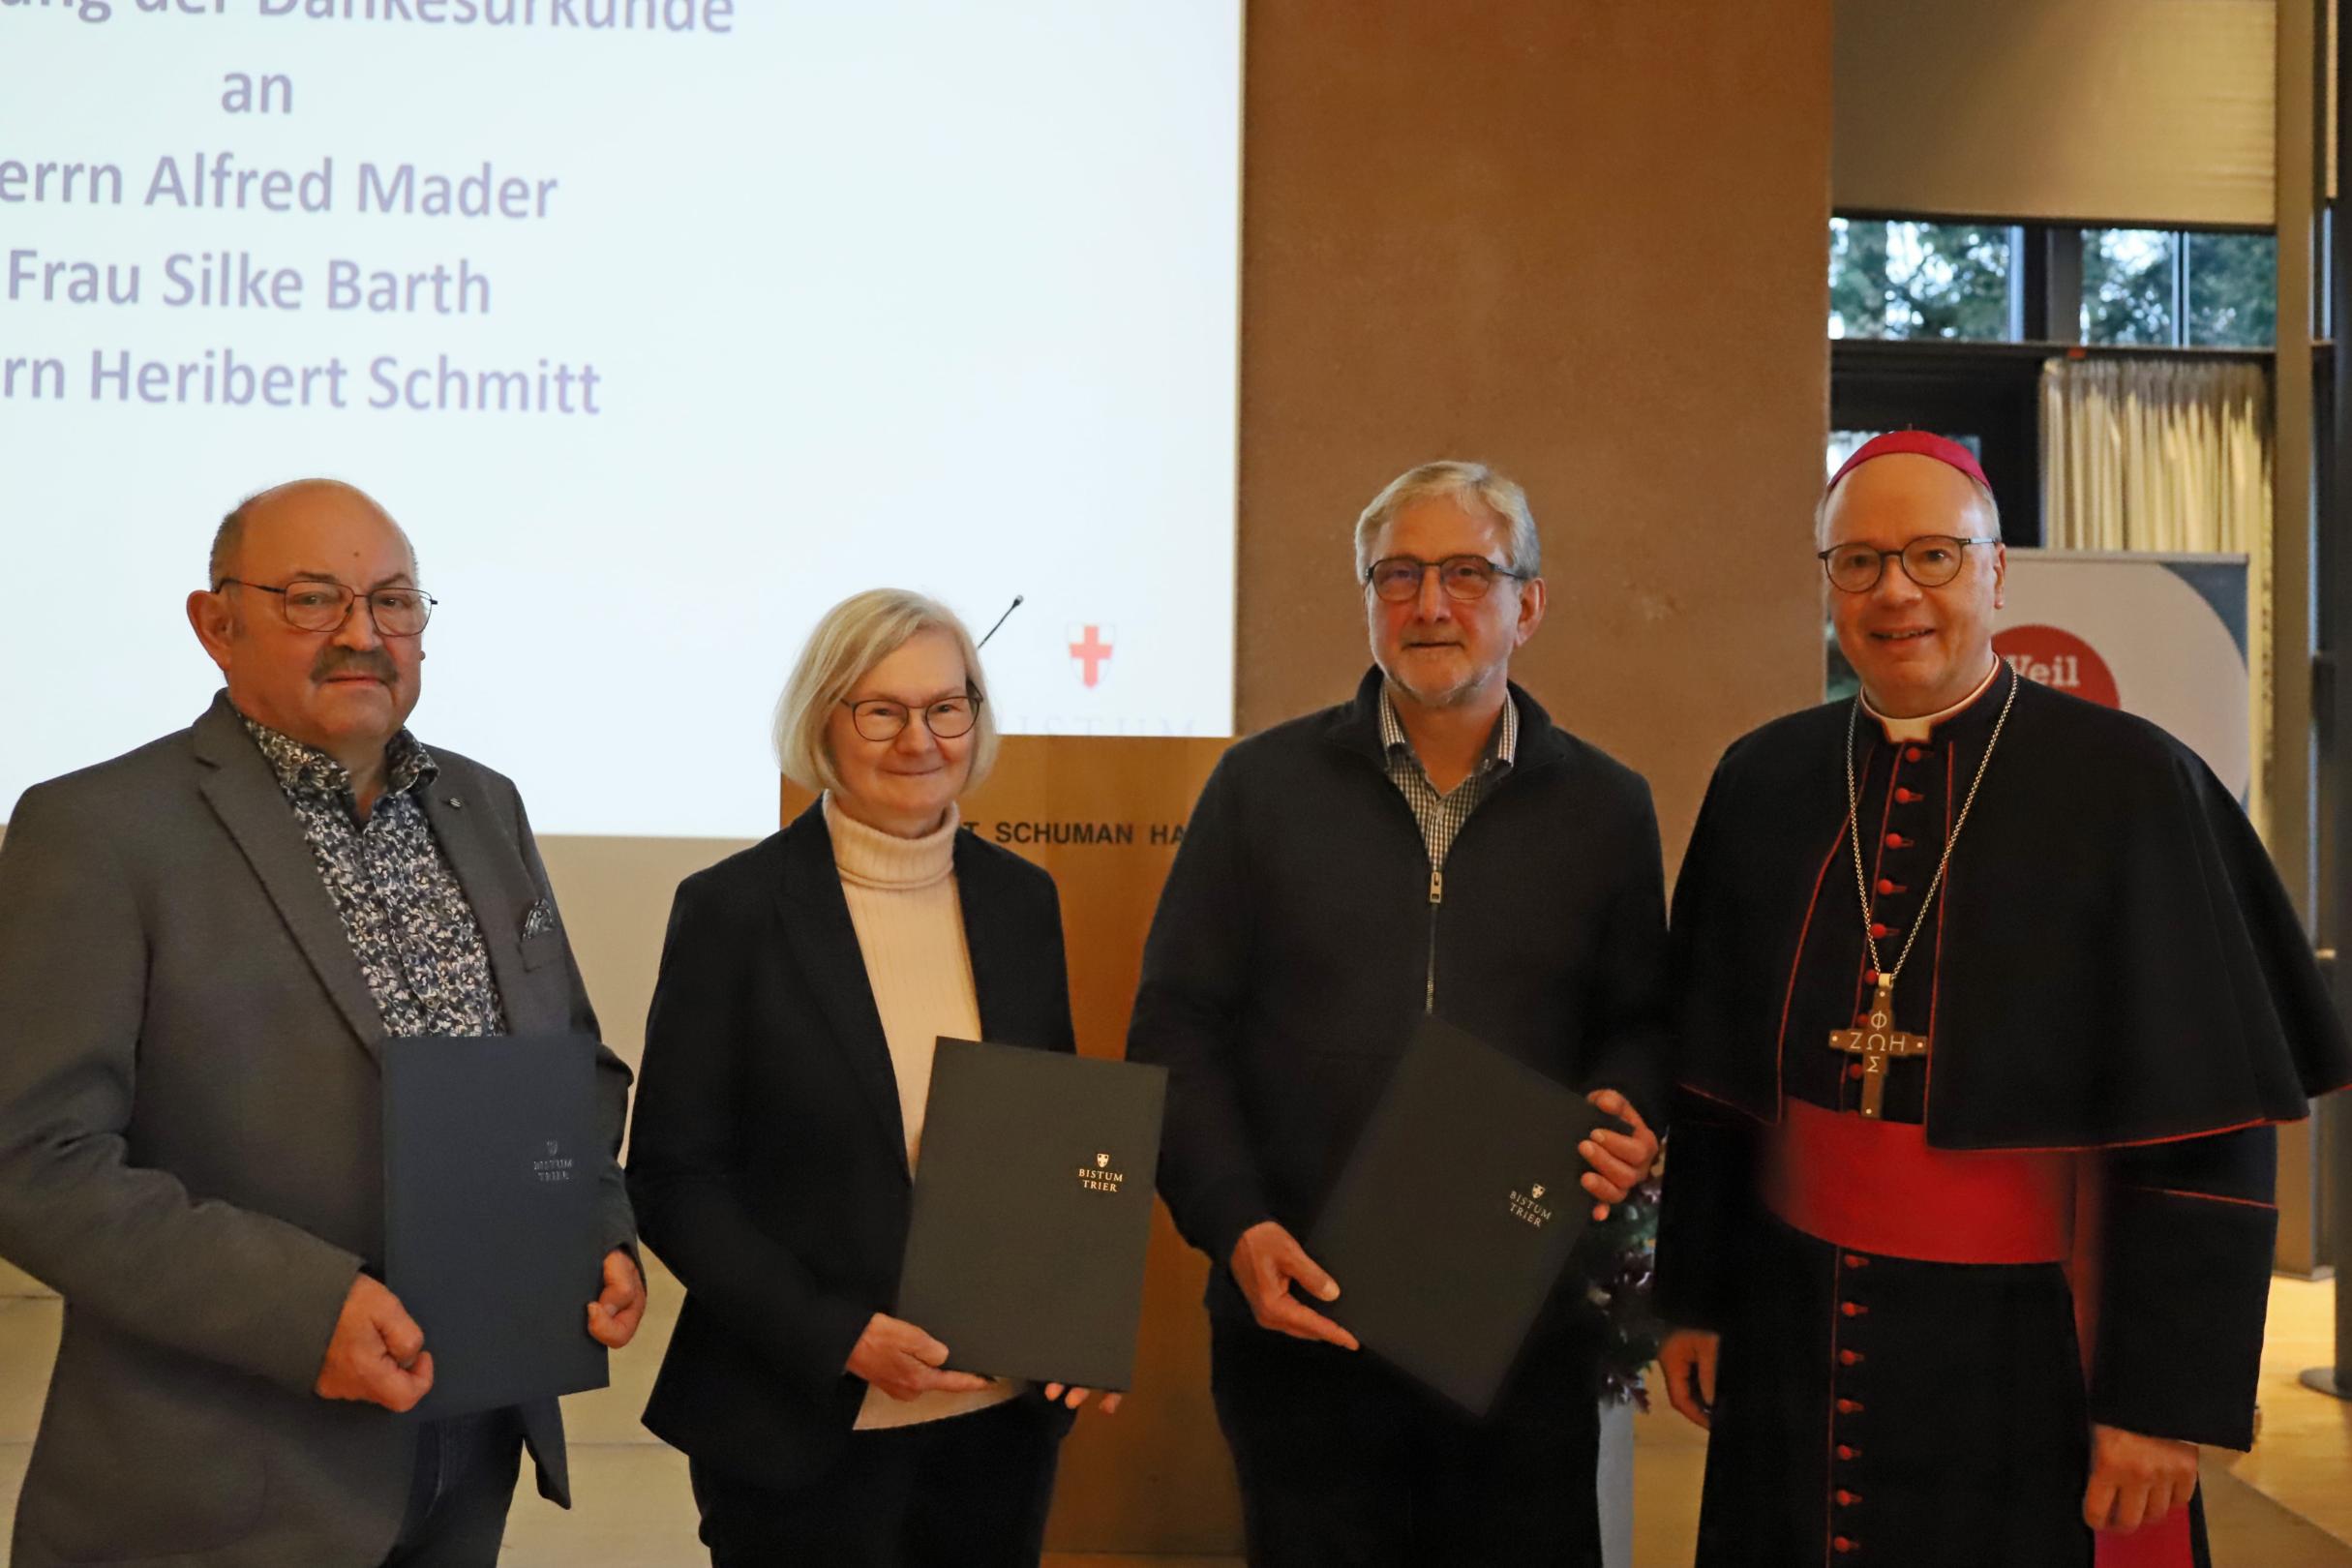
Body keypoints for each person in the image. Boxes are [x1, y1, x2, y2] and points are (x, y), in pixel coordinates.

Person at [1654, 431, 2352, 1566]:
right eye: (1859, 561)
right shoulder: (1764, 778)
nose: (1896, 592)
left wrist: (2160, 1398)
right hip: (1792, 1320)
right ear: (1827, 580)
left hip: (2030, 1348)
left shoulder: (2133, 784)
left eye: (1933, 555)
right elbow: (1715, 1082)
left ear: (1995, 570)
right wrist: (1695, 1295)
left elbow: (2208, 1130)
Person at [0, 478, 645, 1568]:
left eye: (394, 602)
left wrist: (594, 1220)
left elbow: (567, 1068)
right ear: (217, 624)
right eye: (312, 599)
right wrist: (306, 1311)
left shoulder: (486, 805)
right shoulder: (95, 830)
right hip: (214, 1491)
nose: (363, 635)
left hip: (466, 1456)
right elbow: (34, 1162)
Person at [1128, 461, 1670, 1566]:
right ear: (1367, 599)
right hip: (1302, 1319)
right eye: (1399, 575)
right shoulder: (1257, 791)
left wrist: (1631, 1113)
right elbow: (1176, 1030)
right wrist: (1236, 1226)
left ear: (1531, 602)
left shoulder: (1608, 809)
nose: (1430, 605)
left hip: (1521, 1333)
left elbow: (1642, 1022)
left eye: (1468, 572)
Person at [628, 588, 1102, 1567]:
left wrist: (1078, 1324)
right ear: (823, 723)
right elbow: (674, 1182)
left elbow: (1048, 1145)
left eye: (945, 707)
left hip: (994, 1425)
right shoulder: (734, 911)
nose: (918, 738)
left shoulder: (1023, 901)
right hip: (798, 1424)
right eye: (881, 710)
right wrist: (838, 1334)